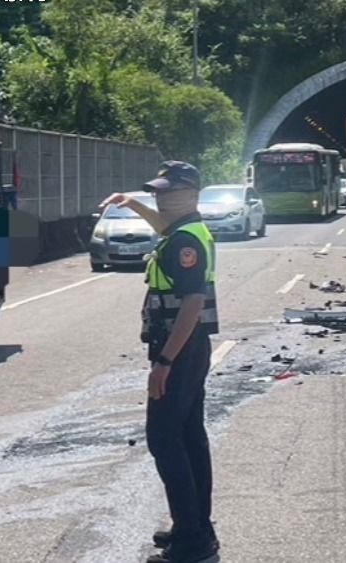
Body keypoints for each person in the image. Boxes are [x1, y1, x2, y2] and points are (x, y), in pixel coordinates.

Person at [100, 161, 220, 563]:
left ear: (188, 195)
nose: (160, 199)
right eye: (157, 193)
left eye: (167, 193)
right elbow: (163, 225)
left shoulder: (185, 243)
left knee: (164, 439)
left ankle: (193, 542)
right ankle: (194, 525)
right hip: (188, 347)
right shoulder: (185, 230)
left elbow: (192, 303)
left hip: (180, 349)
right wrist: (132, 203)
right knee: (188, 437)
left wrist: (165, 360)